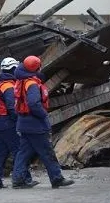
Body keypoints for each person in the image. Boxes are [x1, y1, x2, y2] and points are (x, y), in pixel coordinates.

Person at [12, 55, 75, 189]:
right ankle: (57, 178)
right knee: (47, 152)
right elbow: (34, 103)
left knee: (23, 153)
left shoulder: (21, 81)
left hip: (23, 122)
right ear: (37, 68)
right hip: (35, 124)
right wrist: (44, 115)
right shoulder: (32, 84)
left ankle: (18, 180)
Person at [0, 57, 37, 189]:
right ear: (13, 69)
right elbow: (11, 107)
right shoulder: (8, 86)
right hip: (7, 123)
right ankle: (23, 179)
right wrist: (19, 122)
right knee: (19, 151)